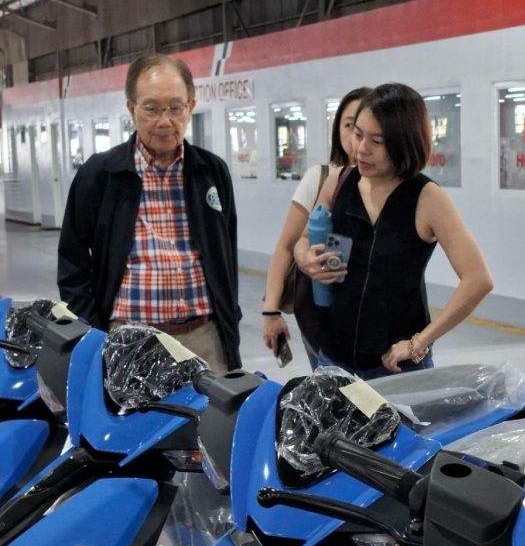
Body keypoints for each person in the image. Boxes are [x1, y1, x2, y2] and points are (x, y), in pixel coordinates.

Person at [294, 83, 493, 380]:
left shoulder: (427, 198)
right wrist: (305, 259)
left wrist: (419, 342)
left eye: (377, 141)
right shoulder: (338, 181)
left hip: (397, 367)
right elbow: (302, 240)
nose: (362, 148)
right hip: (334, 358)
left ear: (405, 142)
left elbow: (478, 280)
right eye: (358, 134)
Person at [57, 53, 241, 374]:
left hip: (204, 339)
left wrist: (229, 318)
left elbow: (227, 253)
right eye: (152, 108)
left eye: (175, 108)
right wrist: (94, 330)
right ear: (132, 108)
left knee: (212, 409)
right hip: (128, 340)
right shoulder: (101, 174)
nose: (164, 121)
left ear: (191, 106)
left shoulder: (211, 172)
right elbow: (72, 261)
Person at [262, 88, 371, 368]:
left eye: (365, 126)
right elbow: (287, 245)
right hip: (319, 318)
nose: (357, 136)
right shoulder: (321, 178)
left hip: (370, 323)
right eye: (349, 125)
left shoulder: (391, 186)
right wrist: (271, 311)